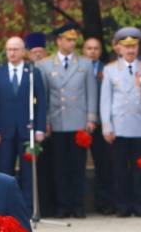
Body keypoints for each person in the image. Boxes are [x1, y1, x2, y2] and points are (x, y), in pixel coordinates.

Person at [38, 22, 99, 218]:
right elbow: (44, 96)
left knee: (78, 166)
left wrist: (91, 118)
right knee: (59, 167)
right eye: (68, 39)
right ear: (58, 41)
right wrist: (45, 120)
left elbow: (91, 92)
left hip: (78, 121)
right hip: (57, 121)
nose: (72, 43)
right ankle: (63, 205)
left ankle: (78, 205)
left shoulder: (85, 64)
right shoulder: (45, 64)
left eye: (74, 40)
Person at [100, 27, 141, 218]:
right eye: (127, 47)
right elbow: (105, 100)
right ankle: (123, 206)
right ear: (119, 48)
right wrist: (107, 126)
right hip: (119, 126)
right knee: (119, 169)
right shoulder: (110, 70)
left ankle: (140, 205)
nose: (131, 50)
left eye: (134, 46)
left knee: (140, 169)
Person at [0, 36, 46, 214]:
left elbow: (41, 102)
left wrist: (40, 128)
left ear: (23, 51)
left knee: (29, 173)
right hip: (4, 132)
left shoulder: (32, 72)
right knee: (4, 172)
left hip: (27, 130)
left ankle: (28, 210)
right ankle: (4, 210)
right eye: (9, 49)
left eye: (15, 49)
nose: (12, 53)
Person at [83, 35, 113, 214]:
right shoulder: (77, 68)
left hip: (102, 124)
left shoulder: (107, 70)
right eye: (89, 48)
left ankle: (105, 203)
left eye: (96, 49)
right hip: (83, 123)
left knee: (104, 165)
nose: (92, 52)